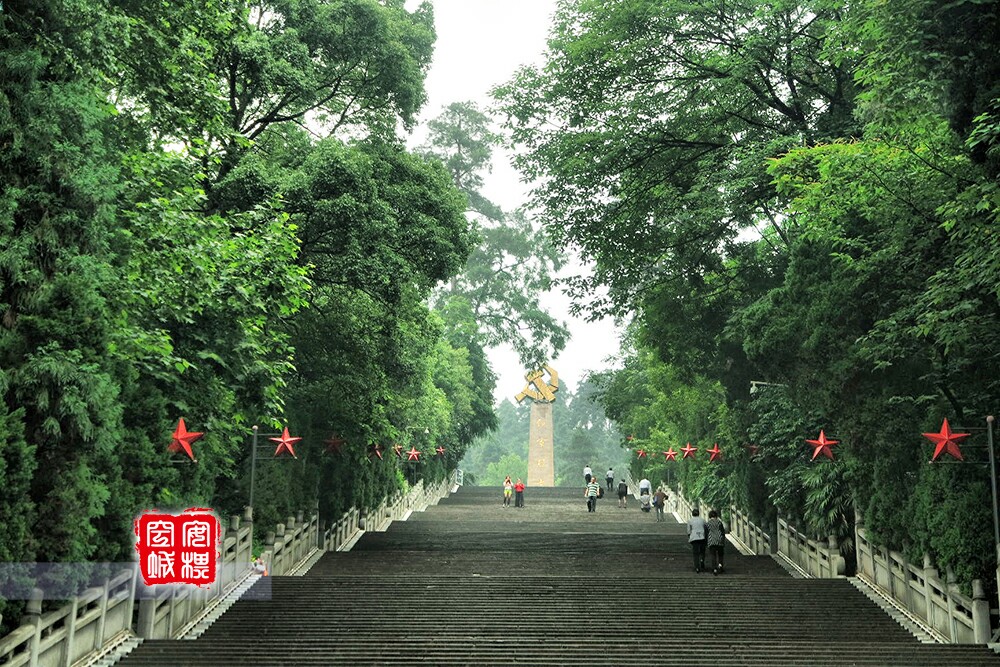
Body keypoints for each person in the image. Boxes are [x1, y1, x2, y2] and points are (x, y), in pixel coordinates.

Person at [706, 509, 727, 574]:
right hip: (719, 539)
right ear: (716, 516)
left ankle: (714, 568)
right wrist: (723, 539)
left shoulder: (708, 523)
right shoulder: (719, 522)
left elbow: (706, 532)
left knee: (713, 555)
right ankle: (720, 565)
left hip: (711, 540)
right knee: (720, 554)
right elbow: (722, 531)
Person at [687, 508, 708, 573]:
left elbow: (688, 531)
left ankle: (697, 567)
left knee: (695, 553)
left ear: (692, 514)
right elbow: (706, 528)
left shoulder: (690, 521)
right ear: (699, 513)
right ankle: (702, 560)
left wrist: (689, 536)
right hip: (702, 537)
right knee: (702, 551)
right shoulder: (703, 520)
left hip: (694, 538)